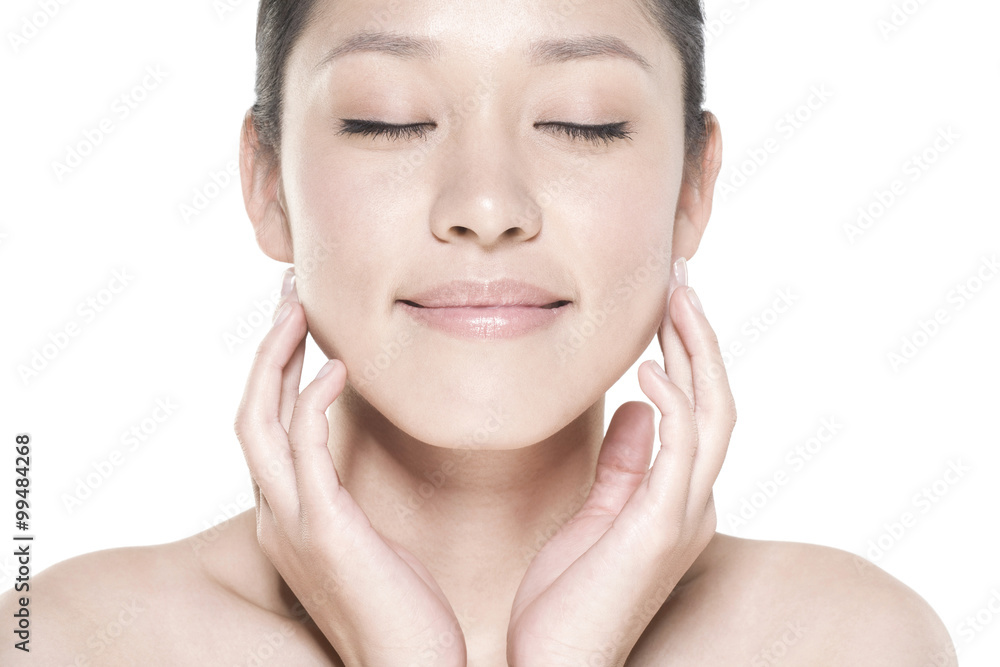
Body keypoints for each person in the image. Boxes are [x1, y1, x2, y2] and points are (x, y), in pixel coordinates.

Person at [1, 0, 957, 664]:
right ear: (266, 183)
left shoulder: (850, 643)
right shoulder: (65, 641)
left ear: (693, 189)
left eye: (585, 124)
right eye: (387, 120)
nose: (488, 203)